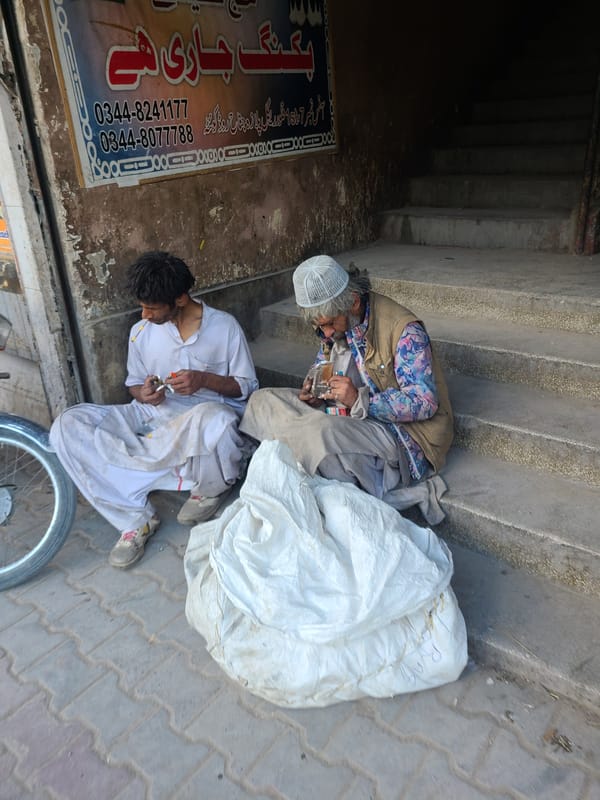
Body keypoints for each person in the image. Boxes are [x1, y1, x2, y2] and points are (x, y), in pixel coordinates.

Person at [50, 251, 258, 569]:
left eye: (152, 308)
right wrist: (145, 394)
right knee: (68, 424)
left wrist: (205, 380)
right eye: (142, 306)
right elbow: (134, 385)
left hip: (203, 419)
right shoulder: (141, 332)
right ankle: (135, 518)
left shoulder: (224, 328)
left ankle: (207, 488)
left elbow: (247, 388)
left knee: (216, 421)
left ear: (180, 298)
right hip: (152, 417)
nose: (144, 314)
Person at [240, 254, 454, 523]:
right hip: (344, 411)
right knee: (263, 401)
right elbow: (325, 361)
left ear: (352, 301)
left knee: (319, 431)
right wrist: (314, 387)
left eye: (329, 324)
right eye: (319, 327)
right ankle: (300, 460)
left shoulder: (405, 331)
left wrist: (358, 399)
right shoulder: (336, 323)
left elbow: (424, 402)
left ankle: (303, 466)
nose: (326, 333)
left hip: (400, 431)